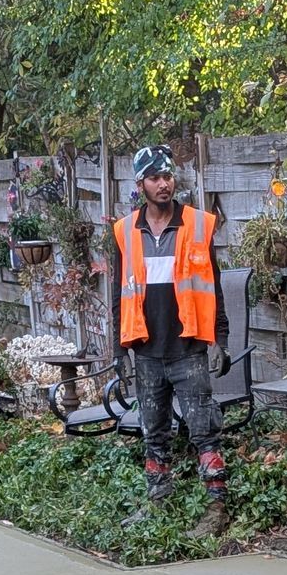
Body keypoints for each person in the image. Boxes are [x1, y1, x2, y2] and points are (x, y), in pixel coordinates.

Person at [110, 143, 229, 521]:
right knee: (154, 432)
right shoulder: (125, 232)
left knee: (204, 430)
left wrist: (220, 340)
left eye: (167, 176)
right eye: (155, 177)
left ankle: (215, 507)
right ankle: (157, 502)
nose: (163, 184)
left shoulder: (196, 224)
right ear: (141, 183)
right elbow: (120, 293)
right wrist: (119, 350)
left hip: (188, 348)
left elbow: (215, 286)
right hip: (146, 351)